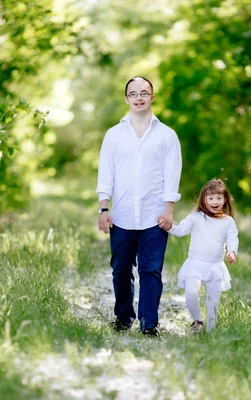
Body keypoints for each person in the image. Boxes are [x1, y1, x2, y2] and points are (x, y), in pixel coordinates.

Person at [96, 76, 182, 337]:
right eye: (133, 94)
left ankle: (149, 324)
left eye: (144, 93)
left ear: (152, 97)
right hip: (121, 215)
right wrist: (103, 208)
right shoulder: (113, 135)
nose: (139, 97)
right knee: (121, 270)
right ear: (126, 99)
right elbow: (105, 173)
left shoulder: (167, 136)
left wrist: (168, 211)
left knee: (150, 271)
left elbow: (172, 174)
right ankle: (123, 318)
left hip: (154, 216)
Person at [160, 179, 238, 334]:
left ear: (225, 200)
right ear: (203, 199)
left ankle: (210, 333)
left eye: (218, 198)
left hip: (215, 266)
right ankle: (197, 320)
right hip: (195, 263)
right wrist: (169, 227)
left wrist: (232, 251)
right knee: (191, 293)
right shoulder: (196, 217)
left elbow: (233, 238)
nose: (214, 202)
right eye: (210, 198)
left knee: (213, 303)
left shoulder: (228, 222)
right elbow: (181, 230)